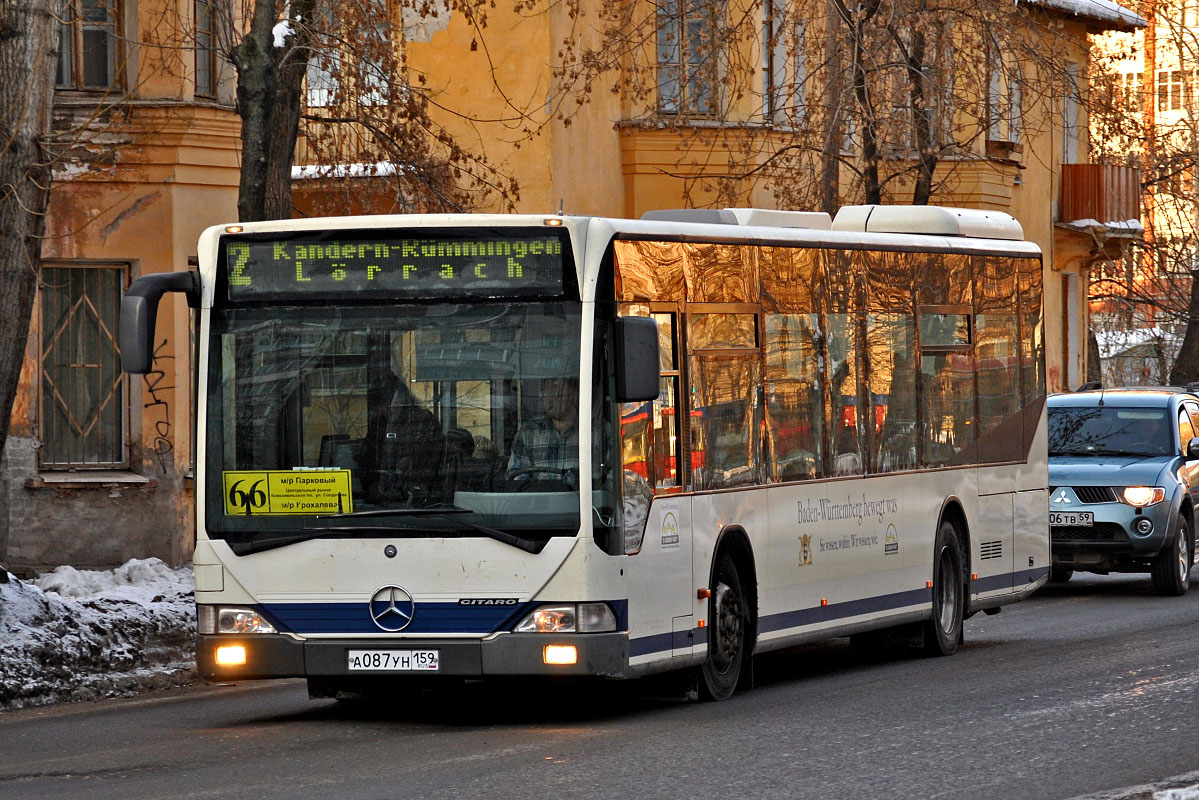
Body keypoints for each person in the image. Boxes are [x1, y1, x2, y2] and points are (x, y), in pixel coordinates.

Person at [508, 377, 581, 478]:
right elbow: (515, 480)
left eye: (554, 393)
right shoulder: (528, 433)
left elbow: (609, 482)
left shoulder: (597, 433)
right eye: (544, 394)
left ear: (574, 395)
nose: (548, 400)